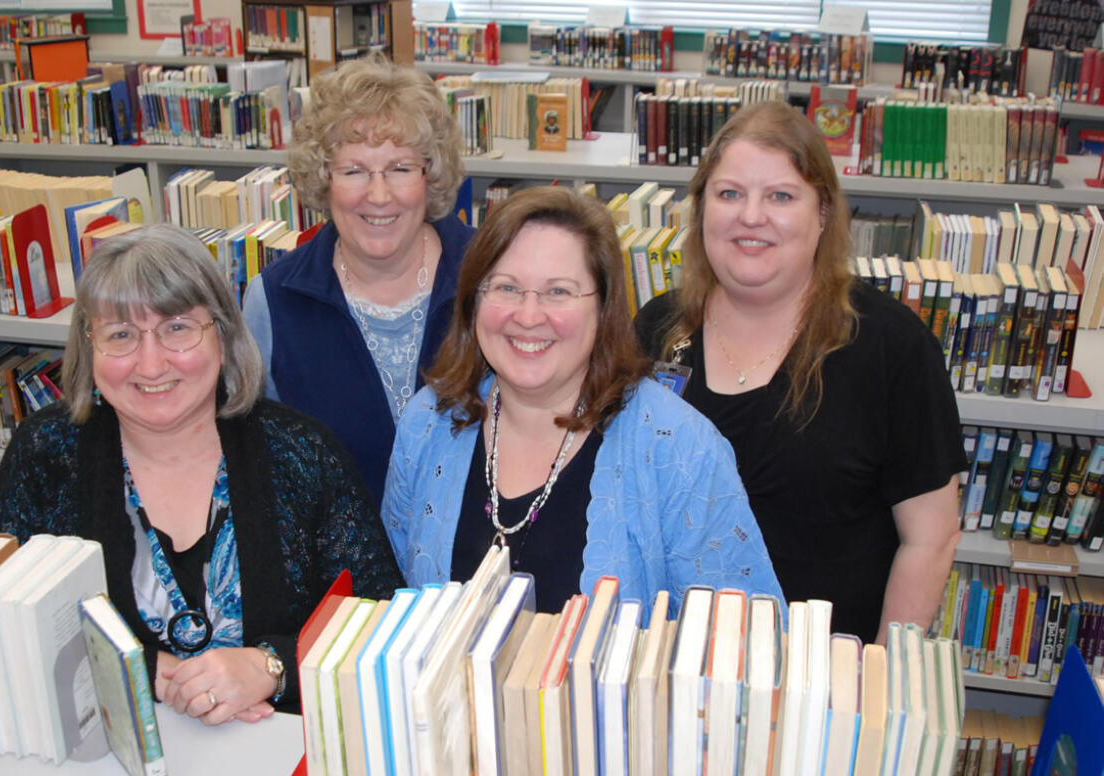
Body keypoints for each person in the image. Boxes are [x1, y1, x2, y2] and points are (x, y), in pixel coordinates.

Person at [0, 224, 402, 723]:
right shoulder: (46, 452)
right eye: (120, 335)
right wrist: (130, 667)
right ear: (89, 347)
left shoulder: (302, 453)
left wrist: (273, 667)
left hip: (276, 759)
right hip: (103, 757)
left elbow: (381, 620)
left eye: (177, 328)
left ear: (221, 335)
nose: (151, 363)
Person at [635, 101, 964, 643]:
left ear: (824, 214)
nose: (751, 216)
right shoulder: (656, 330)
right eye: (729, 193)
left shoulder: (891, 347)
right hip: (674, 663)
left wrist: (874, 676)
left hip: (826, 680)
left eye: (781, 196)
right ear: (701, 209)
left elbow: (931, 538)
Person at [382, 186, 784, 613]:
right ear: (473, 300)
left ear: (604, 307)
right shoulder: (428, 422)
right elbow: (402, 612)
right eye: (506, 287)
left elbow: (741, 646)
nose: (529, 315)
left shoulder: (682, 450)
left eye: (558, 292)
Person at [242, 55, 475, 505]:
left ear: (430, 175)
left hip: (480, 567)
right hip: (336, 570)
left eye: (400, 168)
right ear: (323, 178)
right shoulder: (273, 303)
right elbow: (259, 468)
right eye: (354, 171)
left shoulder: (489, 275)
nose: (379, 195)